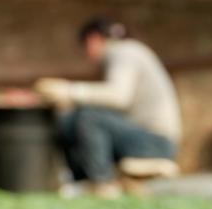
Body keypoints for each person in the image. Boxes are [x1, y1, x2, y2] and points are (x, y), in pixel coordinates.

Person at [34, 18, 182, 196]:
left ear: (93, 39)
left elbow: (119, 96)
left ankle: (101, 184)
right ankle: (81, 181)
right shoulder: (129, 52)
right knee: (72, 119)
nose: (87, 54)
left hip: (154, 143)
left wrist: (69, 90)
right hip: (144, 138)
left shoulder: (124, 52)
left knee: (89, 116)